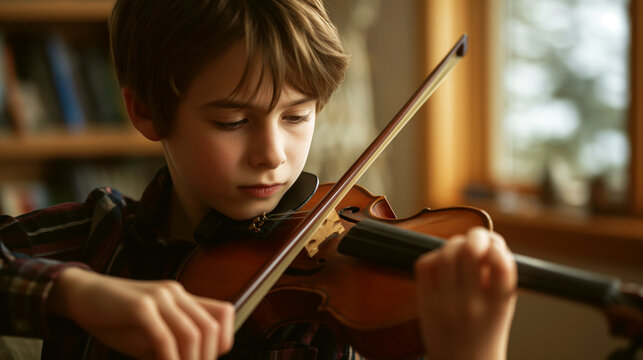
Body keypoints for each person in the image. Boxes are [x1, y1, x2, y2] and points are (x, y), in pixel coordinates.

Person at [0, 0, 518, 359]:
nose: (272, 155)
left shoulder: (332, 319)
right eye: (232, 122)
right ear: (147, 111)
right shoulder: (99, 237)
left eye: (297, 116)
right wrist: (76, 294)